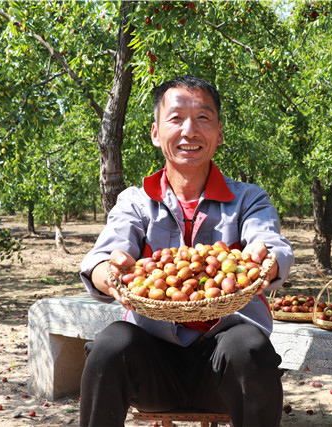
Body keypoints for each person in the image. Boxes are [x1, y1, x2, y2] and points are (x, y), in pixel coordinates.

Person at [79, 74, 294, 427]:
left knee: (248, 346)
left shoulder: (249, 199)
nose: (189, 130)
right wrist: (110, 273)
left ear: (220, 134)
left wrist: (264, 258)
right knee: (109, 345)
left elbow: (270, 244)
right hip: (154, 368)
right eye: (176, 118)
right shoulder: (136, 201)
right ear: (155, 132)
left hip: (227, 371)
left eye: (203, 118)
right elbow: (105, 256)